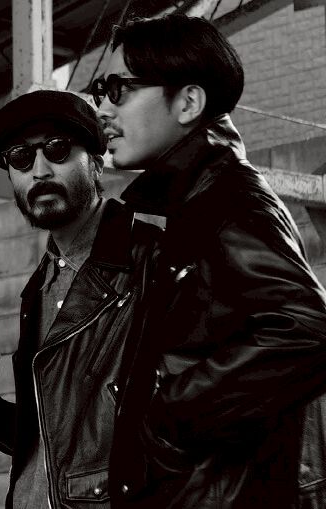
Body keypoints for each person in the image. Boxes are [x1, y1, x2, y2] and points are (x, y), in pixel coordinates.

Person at [94, 14, 326, 508]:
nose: (102, 109)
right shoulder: (192, 204)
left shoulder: (229, 202)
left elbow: (306, 330)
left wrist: (169, 416)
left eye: (118, 90)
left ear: (188, 103)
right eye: (100, 90)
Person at [0, 90, 161, 508]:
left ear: (96, 162)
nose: (40, 170)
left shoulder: (154, 263)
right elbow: (58, 442)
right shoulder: (40, 286)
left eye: (58, 149)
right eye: (20, 158)